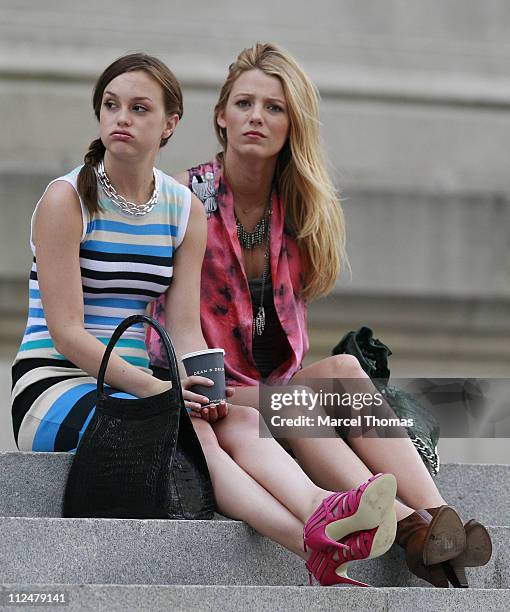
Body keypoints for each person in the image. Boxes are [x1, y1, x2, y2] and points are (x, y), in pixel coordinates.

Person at [10, 52, 399, 588]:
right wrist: (161, 391)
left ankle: (321, 511)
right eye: (111, 105)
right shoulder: (66, 199)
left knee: (235, 418)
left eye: (140, 108)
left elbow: (185, 329)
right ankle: (308, 540)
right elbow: (67, 334)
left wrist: (206, 391)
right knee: (191, 426)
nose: (122, 118)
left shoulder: (182, 208)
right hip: (56, 386)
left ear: (170, 124)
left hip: (137, 389)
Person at [147, 42, 492, 588]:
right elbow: (166, 333)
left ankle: (436, 518)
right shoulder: (185, 200)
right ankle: (409, 528)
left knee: (346, 373)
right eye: (243, 103)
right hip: (205, 395)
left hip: (273, 392)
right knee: (303, 401)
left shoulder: (300, 213)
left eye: (274, 107)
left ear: (293, 125)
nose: (256, 117)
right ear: (220, 116)